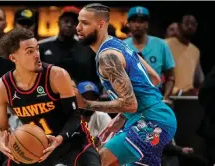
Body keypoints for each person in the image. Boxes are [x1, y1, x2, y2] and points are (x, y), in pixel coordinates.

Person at [76, 3, 177, 166]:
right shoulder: (120, 44)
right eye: (79, 22)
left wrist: (87, 104)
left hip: (151, 120)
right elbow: (154, 78)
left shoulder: (107, 57)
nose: (78, 27)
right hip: (152, 118)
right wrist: (123, 115)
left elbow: (130, 103)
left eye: (85, 23)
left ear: (101, 24)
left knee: (97, 160)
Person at [0, 28, 101, 166]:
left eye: (37, 49)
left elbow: (74, 117)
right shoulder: (1, 87)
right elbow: (1, 128)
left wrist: (59, 139)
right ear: (13, 58)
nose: (37, 54)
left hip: (71, 142)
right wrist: (0, 141)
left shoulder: (56, 75)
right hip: (34, 147)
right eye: (30, 51)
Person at [123, 6, 175, 101]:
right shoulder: (122, 46)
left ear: (147, 24)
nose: (137, 25)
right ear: (128, 24)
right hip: (130, 99)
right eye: (134, 21)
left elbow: (170, 77)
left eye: (141, 21)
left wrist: (165, 98)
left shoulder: (161, 45)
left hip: (155, 98)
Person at [39, 6, 100, 86]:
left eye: (74, 22)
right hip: (49, 94)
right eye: (66, 21)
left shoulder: (88, 48)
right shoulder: (42, 46)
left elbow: (96, 77)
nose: (69, 25)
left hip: (80, 94)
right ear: (58, 22)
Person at [165, 15, 204, 96]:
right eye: (186, 23)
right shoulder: (165, 44)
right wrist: (179, 92)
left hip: (188, 98)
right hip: (168, 96)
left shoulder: (195, 51)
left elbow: (199, 80)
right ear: (179, 26)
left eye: (193, 24)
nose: (190, 26)